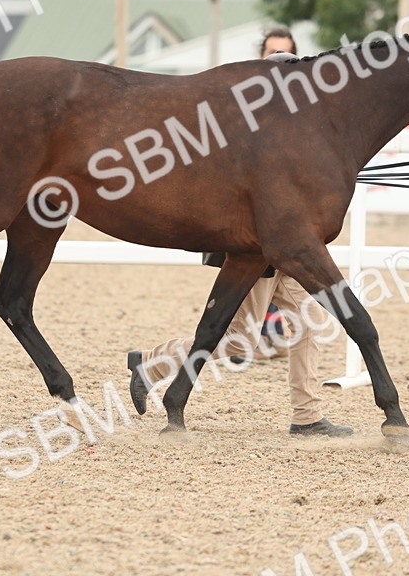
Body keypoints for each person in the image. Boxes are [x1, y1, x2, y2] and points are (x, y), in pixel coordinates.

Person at [127, 27, 353, 437]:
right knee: (238, 343)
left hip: (291, 249)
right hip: (254, 253)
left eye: (287, 55)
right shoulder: (238, 108)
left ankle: (306, 416)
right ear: (259, 58)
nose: (279, 62)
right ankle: (152, 363)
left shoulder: (301, 114)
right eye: (272, 54)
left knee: (311, 322)